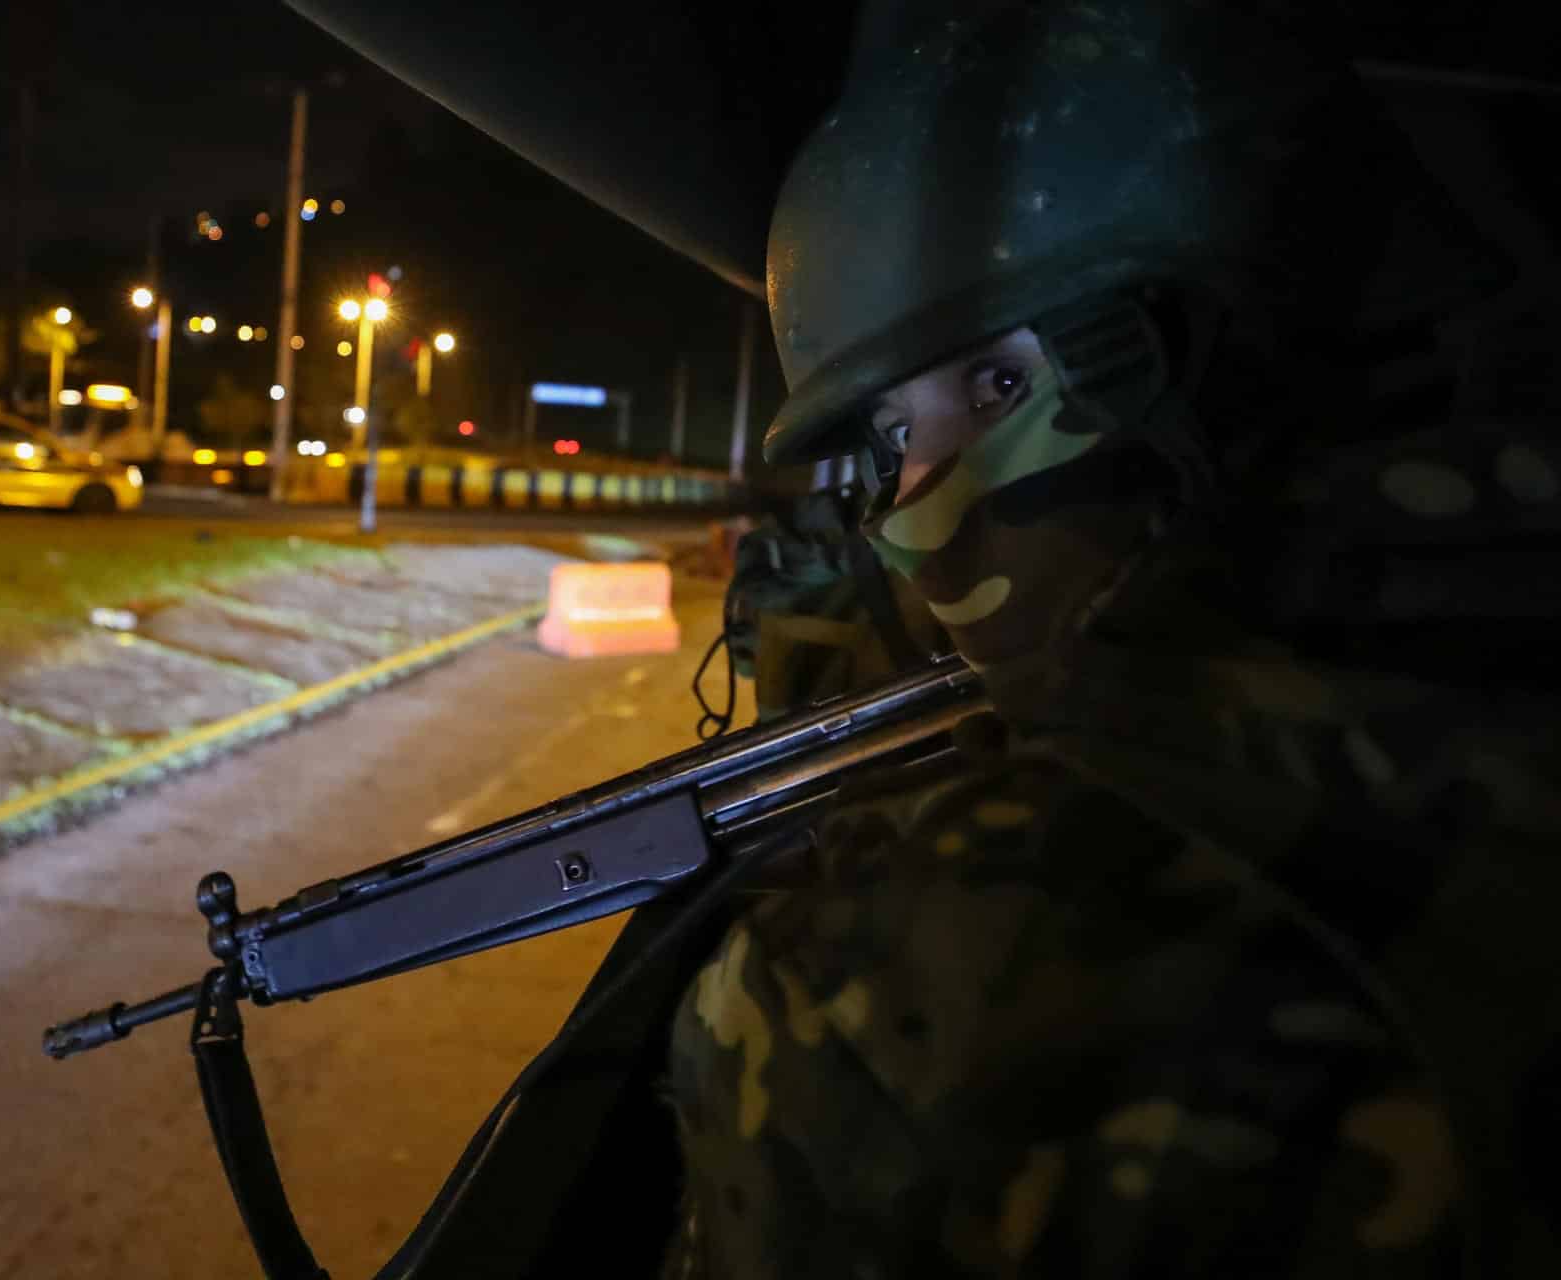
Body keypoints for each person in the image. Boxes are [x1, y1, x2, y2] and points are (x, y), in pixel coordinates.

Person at [661, 1, 1561, 1275]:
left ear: (1193, 343)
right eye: (886, 447)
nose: (924, 507)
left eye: (996, 387)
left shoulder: (976, 974)